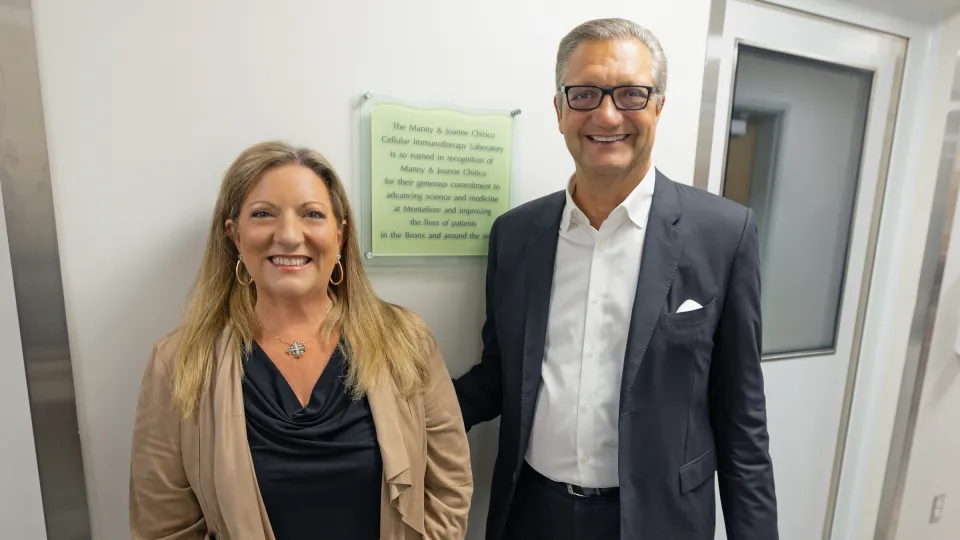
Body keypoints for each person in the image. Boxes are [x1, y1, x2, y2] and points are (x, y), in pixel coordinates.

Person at [454, 18, 778, 540]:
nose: (607, 115)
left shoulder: (723, 233)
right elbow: (500, 374)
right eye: (584, 94)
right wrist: (403, 414)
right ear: (559, 111)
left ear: (659, 106)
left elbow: (742, 419)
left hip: (659, 520)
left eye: (631, 94)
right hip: (532, 513)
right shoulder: (515, 236)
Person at [130, 141, 472, 540]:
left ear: (340, 236)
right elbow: (165, 527)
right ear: (235, 235)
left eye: (312, 214)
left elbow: (449, 487)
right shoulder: (180, 362)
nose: (290, 236)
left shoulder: (406, 340)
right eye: (263, 214)